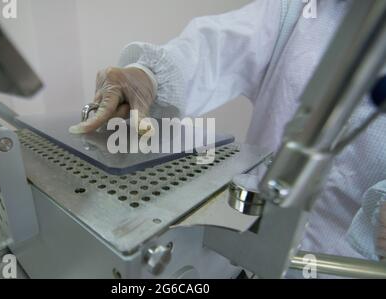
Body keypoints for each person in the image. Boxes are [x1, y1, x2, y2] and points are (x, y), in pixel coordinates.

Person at [69, 0, 386, 267]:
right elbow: (216, 49)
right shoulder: (303, 8)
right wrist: (148, 77)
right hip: (247, 241)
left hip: (346, 267)